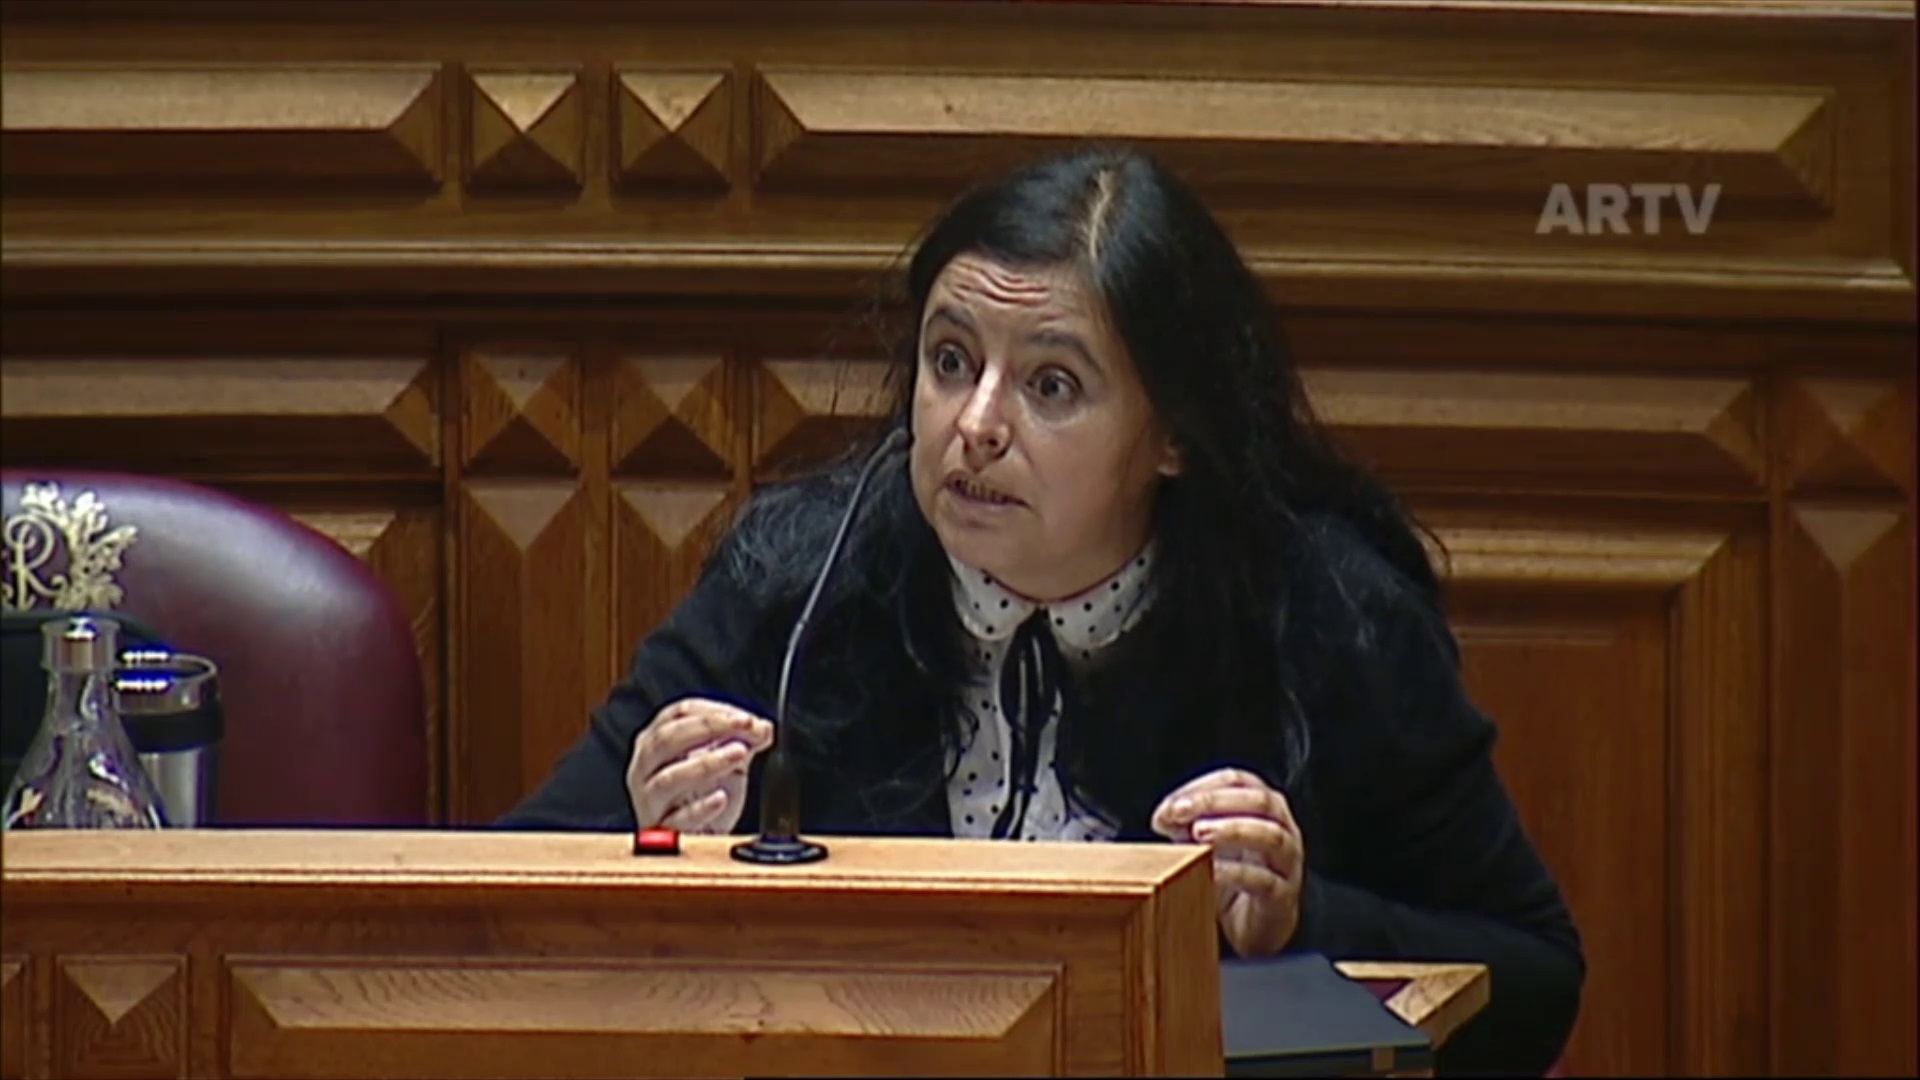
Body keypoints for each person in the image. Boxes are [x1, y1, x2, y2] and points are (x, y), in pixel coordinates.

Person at [501, 145, 1584, 1075]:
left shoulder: (1327, 619)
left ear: (1173, 435)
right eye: (950, 361)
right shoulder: (796, 581)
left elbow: (1536, 981)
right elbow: (506, 914)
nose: (975, 425)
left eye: (1051, 385)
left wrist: (1305, 921)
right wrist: (646, 845)